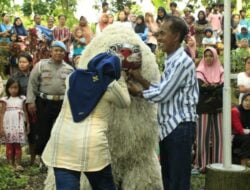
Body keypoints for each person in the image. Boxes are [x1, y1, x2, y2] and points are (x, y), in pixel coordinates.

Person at [128, 16, 198, 190]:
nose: (158, 38)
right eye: (157, 34)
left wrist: (137, 92)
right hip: (170, 128)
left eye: (162, 34)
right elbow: (163, 88)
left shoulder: (182, 62)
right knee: (167, 178)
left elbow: (162, 94)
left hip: (180, 127)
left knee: (178, 181)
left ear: (176, 36)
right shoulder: (172, 60)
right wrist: (140, 79)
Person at [42, 52, 131, 190]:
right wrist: (121, 79)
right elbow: (125, 102)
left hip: (63, 141)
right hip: (91, 145)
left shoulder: (73, 77)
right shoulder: (110, 86)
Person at [26, 41, 74, 159]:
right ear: (51, 52)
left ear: (65, 53)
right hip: (44, 103)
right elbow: (32, 84)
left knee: (61, 131)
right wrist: (31, 101)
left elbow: (73, 89)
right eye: (56, 50)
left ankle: (59, 158)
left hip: (62, 104)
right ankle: (42, 157)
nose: (58, 53)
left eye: (61, 51)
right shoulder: (41, 65)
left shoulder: (70, 69)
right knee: (43, 131)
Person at [195, 47, 224, 172]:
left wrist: (210, 88)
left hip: (218, 107)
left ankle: (219, 164)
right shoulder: (199, 71)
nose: (208, 58)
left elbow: (222, 88)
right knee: (202, 137)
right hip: (204, 108)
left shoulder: (221, 70)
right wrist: (214, 87)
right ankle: (203, 165)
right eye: (206, 55)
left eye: (211, 55)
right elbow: (201, 88)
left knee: (220, 136)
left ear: (215, 57)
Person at [0, 78, 29, 171]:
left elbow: (25, 111)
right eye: (11, 88)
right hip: (8, 124)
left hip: (18, 124)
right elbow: (2, 113)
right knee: (9, 145)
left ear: (19, 88)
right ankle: (10, 164)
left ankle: (18, 164)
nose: (13, 90)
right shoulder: (5, 100)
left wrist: (27, 123)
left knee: (17, 144)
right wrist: (1, 127)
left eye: (15, 87)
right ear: (7, 88)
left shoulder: (22, 99)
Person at [13, 53, 36, 165]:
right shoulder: (14, 77)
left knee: (32, 133)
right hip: (18, 109)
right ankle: (16, 161)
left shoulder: (34, 76)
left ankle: (33, 159)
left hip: (32, 108)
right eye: (20, 62)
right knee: (17, 133)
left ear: (30, 63)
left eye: (24, 62)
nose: (22, 64)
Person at [232, 93, 250, 164]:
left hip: (247, 134)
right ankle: (244, 161)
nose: (248, 103)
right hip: (236, 136)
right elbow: (239, 129)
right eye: (246, 100)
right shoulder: (235, 111)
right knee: (247, 138)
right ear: (242, 100)